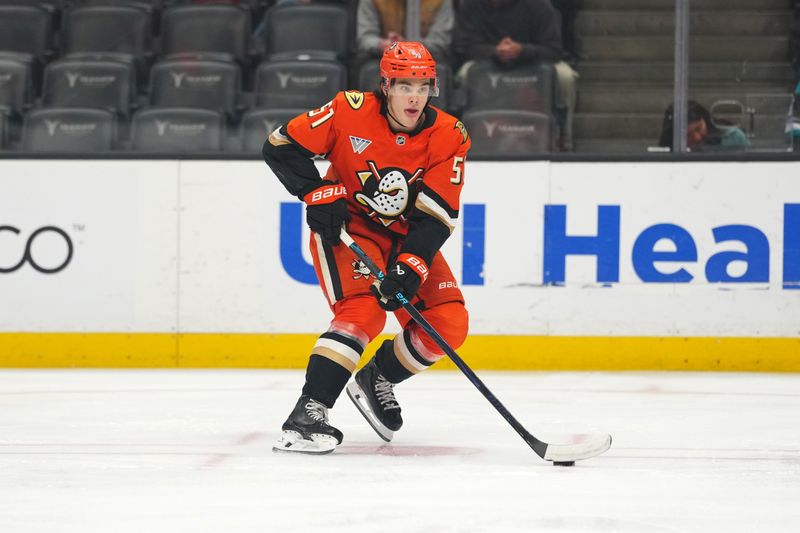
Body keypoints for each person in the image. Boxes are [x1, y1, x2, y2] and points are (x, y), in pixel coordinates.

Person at [263, 41, 471, 454]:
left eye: (423, 85)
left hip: (405, 235)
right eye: (404, 85)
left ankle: (378, 377)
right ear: (386, 85)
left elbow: (436, 215)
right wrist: (319, 193)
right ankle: (309, 412)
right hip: (350, 229)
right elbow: (280, 147)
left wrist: (409, 269)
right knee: (364, 311)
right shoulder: (348, 110)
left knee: (449, 322)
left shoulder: (450, 134)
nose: (414, 95)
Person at [452, 0, 579, 150]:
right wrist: (495, 51)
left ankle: (564, 136)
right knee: (464, 73)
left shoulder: (539, 5)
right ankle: (461, 137)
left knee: (566, 77)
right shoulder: (469, 5)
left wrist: (522, 50)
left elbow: (553, 49)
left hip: (533, 61)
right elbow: (462, 47)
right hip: (487, 60)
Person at [356, 0, 455, 62]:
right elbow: (365, 37)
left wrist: (407, 46)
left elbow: (440, 41)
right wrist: (382, 44)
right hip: (381, 56)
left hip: (426, 57)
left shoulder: (440, 1)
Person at [658, 100, 750, 152]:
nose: (696, 137)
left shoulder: (733, 138)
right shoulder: (669, 152)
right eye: (687, 135)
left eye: (699, 128)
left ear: (706, 121)